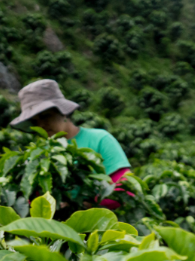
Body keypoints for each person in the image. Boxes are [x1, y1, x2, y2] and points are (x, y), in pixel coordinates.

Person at [10, 79, 131, 209]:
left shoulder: (99, 139)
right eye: (34, 122)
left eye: (46, 116)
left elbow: (125, 188)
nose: (41, 125)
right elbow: (32, 199)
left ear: (64, 112)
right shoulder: (38, 155)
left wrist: (81, 206)